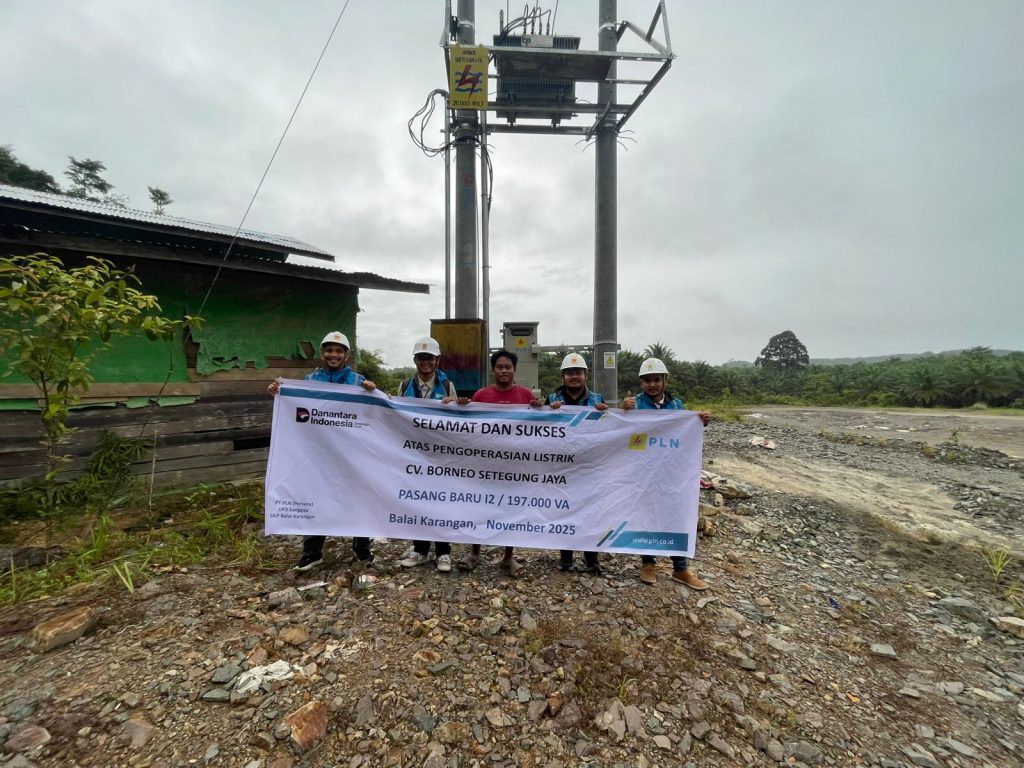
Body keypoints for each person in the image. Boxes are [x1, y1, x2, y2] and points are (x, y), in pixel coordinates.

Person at [268, 331, 378, 572]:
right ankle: (312, 554)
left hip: (351, 455)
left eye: (339, 351)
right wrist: (279, 392)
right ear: (322, 353)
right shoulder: (310, 380)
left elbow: (373, 412)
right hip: (318, 455)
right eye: (329, 350)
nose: (333, 355)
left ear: (346, 355)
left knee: (358, 500)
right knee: (314, 497)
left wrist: (373, 391)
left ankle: (362, 551)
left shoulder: (358, 382)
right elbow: (294, 405)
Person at [620, 357, 711, 590]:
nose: (652, 385)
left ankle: (680, 568)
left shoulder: (677, 406)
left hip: (672, 474)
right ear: (641, 383)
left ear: (664, 381)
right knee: (647, 516)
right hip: (644, 473)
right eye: (647, 380)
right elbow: (619, 430)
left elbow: (686, 434)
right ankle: (648, 563)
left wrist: (700, 422)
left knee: (676, 515)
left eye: (656, 380)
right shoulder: (634, 405)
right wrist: (623, 410)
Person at [456, 349, 544, 577]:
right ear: (493, 370)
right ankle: (474, 553)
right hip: (485, 466)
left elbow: (539, 425)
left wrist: (540, 410)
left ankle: (508, 557)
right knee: (479, 508)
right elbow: (468, 425)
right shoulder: (480, 396)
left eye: (508, 367)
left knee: (511, 510)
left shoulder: (526, 395)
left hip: (515, 467)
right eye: (500, 367)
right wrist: (461, 405)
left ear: (514, 370)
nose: (504, 371)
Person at [396, 336, 466, 572]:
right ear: (415, 360)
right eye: (421, 358)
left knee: (440, 502)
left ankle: (443, 552)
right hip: (414, 455)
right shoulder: (404, 386)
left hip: (440, 456)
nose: (425, 362)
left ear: (437, 361)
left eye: (429, 358)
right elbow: (395, 417)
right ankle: (420, 550)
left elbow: (456, 420)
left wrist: (456, 404)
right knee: (417, 502)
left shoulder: (447, 387)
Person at [545, 352, 608, 576]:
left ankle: (592, 558)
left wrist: (605, 413)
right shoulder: (552, 400)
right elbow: (540, 429)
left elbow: (609, 428)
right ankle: (566, 556)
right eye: (569, 373)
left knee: (591, 512)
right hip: (563, 466)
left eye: (578, 372)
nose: (574, 377)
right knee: (565, 510)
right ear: (563, 376)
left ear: (585, 375)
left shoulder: (597, 400)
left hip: (589, 466)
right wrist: (546, 411)